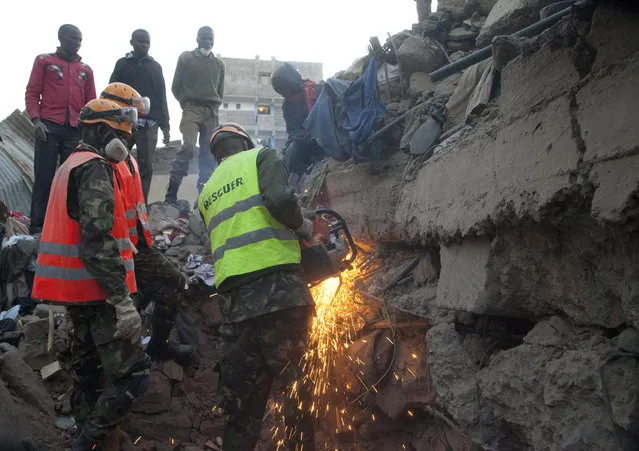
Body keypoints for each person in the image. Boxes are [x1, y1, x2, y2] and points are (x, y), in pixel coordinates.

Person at [31, 99, 149, 451]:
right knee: (134, 377)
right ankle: (85, 442)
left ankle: (87, 434)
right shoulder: (95, 167)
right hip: (100, 292)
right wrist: (122, 301)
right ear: (99, 130)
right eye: (118, 135)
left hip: (76, 290)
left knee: (88, 372)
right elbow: (97, 242)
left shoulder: (69, 164)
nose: (124, 144)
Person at [198, 123, 318, 450]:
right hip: (280, 293)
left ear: (217, 154)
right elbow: (279, 198)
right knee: (298, 396)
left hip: (236, 308)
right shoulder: (260, 156)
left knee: (241, 411)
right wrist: (304, 225)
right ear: (244, 142)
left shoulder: (206, 192)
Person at [99, 82, 193, 363]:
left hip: (138, 248)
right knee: (117, 312)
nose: (134, 125)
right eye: (129, 117)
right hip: (113, 254)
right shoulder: (100, 159)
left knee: (174, 280)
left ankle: (157, 346)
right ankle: (117, 364)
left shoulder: (127, 157)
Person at [25, 24, 96, 233]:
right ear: (61, 38)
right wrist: (36, 121)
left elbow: (91, 104)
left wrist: (88, 133)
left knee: (71, 180)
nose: (77, 43)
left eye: (80, 40)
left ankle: (67, 226)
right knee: (44, 178)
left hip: (75, 131)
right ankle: (37, 227)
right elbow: (32, 92)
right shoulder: (44, 61)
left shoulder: (86, 70)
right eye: (73, 38)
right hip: (48, 127)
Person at [109, 29, 171, 203]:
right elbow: (111, 92)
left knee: (146, 167)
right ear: (132, 42)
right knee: (117, 161)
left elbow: (161, 96)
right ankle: (118, 201)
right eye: (140, 41)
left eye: (147, 42)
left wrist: (165, 126)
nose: (144, 45)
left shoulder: (155, 66)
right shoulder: (122, 64)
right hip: (123, 125)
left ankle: (141, 205)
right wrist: (110, 119)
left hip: (148, 125)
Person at [165, 26, 225, 204]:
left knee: (208, 153)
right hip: (192, 108)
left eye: (210, 39)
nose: (207, 42)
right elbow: (176, 86)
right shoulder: (186, 58)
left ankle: (204, 196)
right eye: (204, 38)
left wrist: (214, 107)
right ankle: (171, 193)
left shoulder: (218, 64)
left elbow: (219, 91)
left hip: (211, 111)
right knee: (188, 147)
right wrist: (186, 103)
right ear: (197, 39)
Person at [271, 63, 324, 176]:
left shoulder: (319, 92)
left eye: (295, 95)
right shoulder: (287, 106)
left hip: (328, 138)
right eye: (289, 97)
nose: (294, 99)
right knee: (291, 154)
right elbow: (293, 130)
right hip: (307, 142)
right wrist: (308, 137)